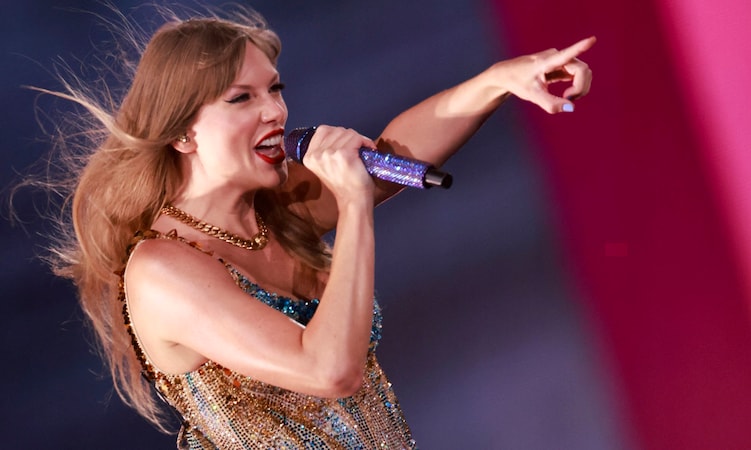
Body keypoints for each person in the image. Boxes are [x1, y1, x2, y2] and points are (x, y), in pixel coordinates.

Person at [42, 5, 594, 449]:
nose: (275, 112)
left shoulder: (272, 213)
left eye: (275, 89)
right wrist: (353, 204)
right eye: (243, 98)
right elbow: (329, 370)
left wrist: (498, 81)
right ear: (182, 134)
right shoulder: (163, 268)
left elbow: (393, 152)